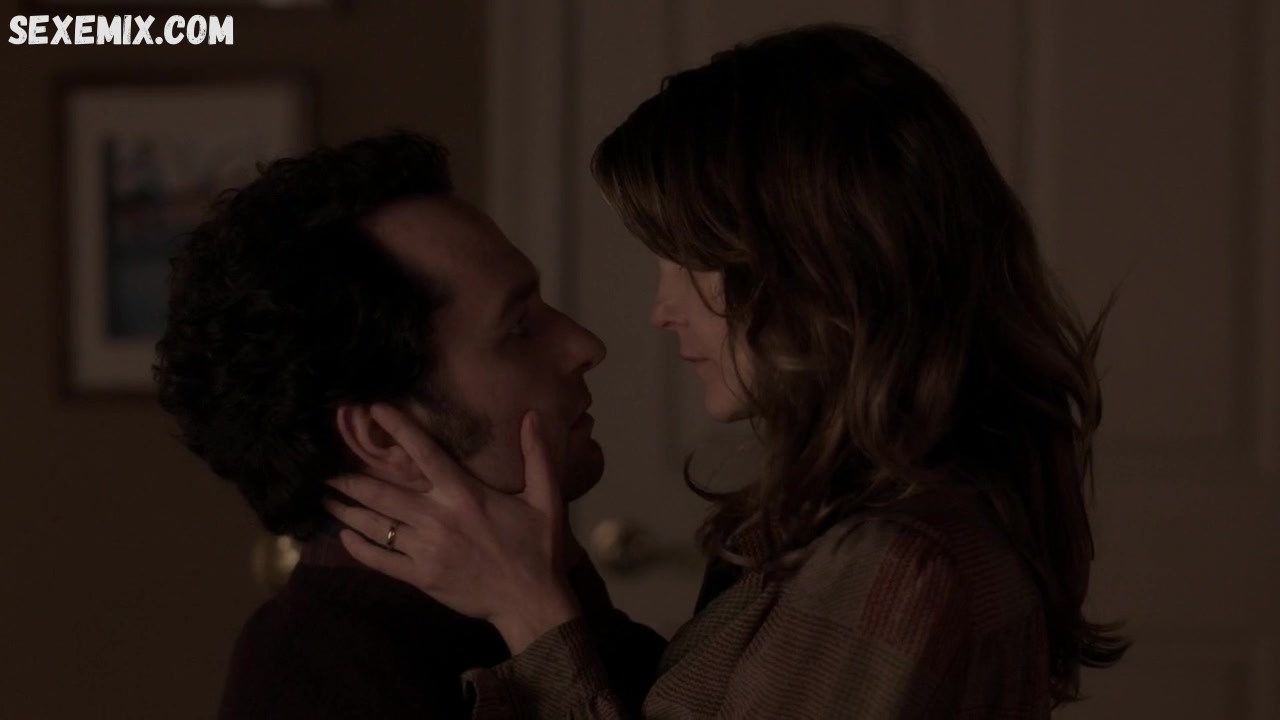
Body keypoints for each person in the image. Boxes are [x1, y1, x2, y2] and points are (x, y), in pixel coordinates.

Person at [326, 24, 1130, 719]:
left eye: (689, 258)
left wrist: (527, 611)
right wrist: (551, 576)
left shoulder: (899, 567)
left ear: (814, 265)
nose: (662, 309)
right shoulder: (864, 523)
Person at [153, 132, 663, 719]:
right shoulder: (321, 684)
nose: (585, 345)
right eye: (519, 329)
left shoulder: (527, 591)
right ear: (383, 438)